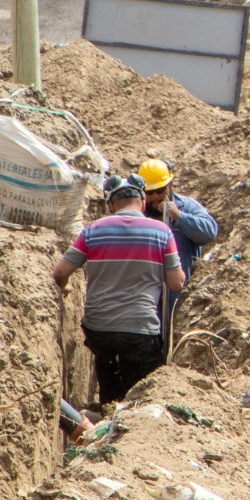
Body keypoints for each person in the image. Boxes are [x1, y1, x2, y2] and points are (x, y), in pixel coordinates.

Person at [52, 173, 185, 404]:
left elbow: (60, 273)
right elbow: (176, 283)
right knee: (140, 393)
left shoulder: (92, 230)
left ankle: (105, 411)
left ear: (111, 205)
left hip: (98, 328)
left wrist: (64, 289)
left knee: (108, 380)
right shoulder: (162, 231)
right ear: (143, 203)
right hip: (140, 329)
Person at [137, 158, 218, 346]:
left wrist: (179, 217)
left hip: (179, 298)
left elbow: (210, 231)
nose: (156, 197)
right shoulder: (138, 214)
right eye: (150, 192)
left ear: (170, 185)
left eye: (160, 190)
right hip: (146, 299)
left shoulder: (186, 207)